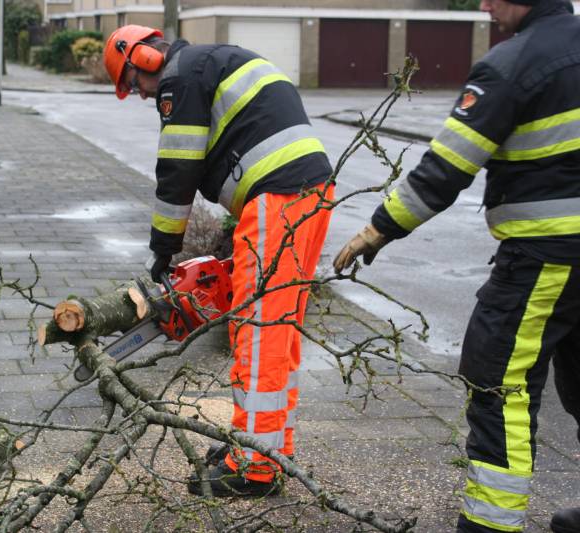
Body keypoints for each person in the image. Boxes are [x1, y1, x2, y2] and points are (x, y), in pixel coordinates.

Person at [332, 0, 580, 530]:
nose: (486, 5)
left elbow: (446, 168)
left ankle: (490, 524)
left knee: (499, 383)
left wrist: (379, 228)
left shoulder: (513, 64)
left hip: (546, 258)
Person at [103, 25, 335, 497]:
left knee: (256, 330)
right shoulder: (211, 61)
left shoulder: (179, 77)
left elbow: (177, 168)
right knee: (279, 328)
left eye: (136, 84)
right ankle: (269, 446)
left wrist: (164, 250)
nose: (145, 96)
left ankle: (253, 467)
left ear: (144, 57)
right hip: (306, 196)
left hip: (279, 198)